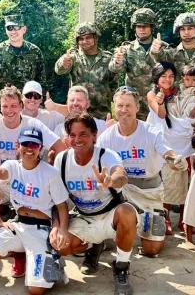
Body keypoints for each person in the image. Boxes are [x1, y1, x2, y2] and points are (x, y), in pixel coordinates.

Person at [97, 86, 188, 257]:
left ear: (137, 108)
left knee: (151, 249)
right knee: (106, 239)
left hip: (149, 193)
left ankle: (158, 214)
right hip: (120, 191)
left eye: (128, 106)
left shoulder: (151, 132)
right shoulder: (106, 138)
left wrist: (176, 161)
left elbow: (167, 153)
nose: (124, 110)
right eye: (120, 106)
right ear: (114, 108)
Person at [0, 127, 71, 295]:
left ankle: (51, 261)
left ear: (40, 148)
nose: (29, 148)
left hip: (40, 229)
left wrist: (62, 229)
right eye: (25, 143)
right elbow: (1, 172)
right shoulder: (12, 166)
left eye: (34, 145)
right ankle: (23, 255)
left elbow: (62, 206)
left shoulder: (50, 173)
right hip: (19, 224)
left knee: (36, 290)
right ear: (17, 145)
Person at [54, 112, 137, 295]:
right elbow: (56, 200)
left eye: (83, 134)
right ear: (67, 138)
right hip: (84, 216)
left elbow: (121, 175)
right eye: (73, 135)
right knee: (62, 246)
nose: (78, 139)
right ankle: (93, 246)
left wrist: (110, 181)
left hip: (110, 214)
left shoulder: (106, 156)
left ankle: (121, 266)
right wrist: (58, 228)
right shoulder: (62, 160)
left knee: (128, 212)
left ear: (94, 135)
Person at [145, 63, 195, 234]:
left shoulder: (180, 92)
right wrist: (160, 100)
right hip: (163, 145)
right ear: (156, 78)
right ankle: (165, 218)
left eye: (171, 76)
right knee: (165, 183)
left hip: (184, 142)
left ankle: (185, 219)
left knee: (185, 181)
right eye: (163, 76)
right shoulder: (152, 94)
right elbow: (161, 115)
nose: (168, 80)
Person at [153, 12, 195, 106]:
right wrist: (156, 51)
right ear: (178, 32)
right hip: (175, 109)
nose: (186, 32)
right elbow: (159, 59)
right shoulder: (171, 54)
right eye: (182, 29)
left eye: (190, 28)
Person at [108, 8, 164, 119]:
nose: (142, 29)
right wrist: (118, 61)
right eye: (139, 26)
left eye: (145, 26)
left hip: (157, 104)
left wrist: (159, 52)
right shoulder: (126, 49)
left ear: (152, 27)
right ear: (134, 28)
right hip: (133, 106)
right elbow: (113, 69)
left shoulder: (163, 48)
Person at [54, 22, 117, 120]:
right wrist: (64, 64)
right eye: (81, 39)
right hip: (78, 113)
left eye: (88, 38)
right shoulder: (73, 57)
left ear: (96, 38)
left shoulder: (108, 58)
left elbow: (113, 84)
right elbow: (59, 70)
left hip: (102, 113)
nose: (84, 41)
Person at [0, 14, 45, 104]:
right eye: (9, 28)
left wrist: (41, 100)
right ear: (6, 30)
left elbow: (41, 80)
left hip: (28, 101)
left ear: (24, 29)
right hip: (4, 103)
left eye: (16, 27)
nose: (13, 32)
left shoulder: (35, 51)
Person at [45, 85, 111, 138]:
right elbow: (53, 153)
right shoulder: (60, 129)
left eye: (79, 100)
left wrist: (113, 130)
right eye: (72, 100)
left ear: (88, 104)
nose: (75, 103)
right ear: (67, 103)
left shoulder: (101, 126)